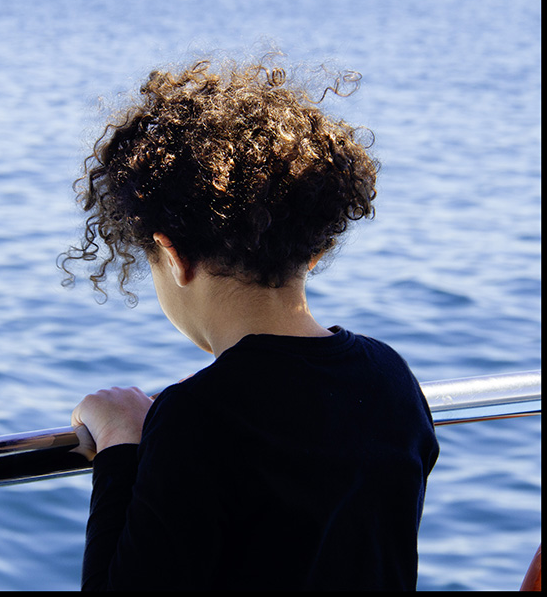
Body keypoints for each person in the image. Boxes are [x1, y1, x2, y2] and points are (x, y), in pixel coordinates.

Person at [59, 56, 440, 590]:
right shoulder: (392, 379)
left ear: (173, 255)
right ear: (315, 249)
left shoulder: (198, 418)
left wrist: (122, 444)